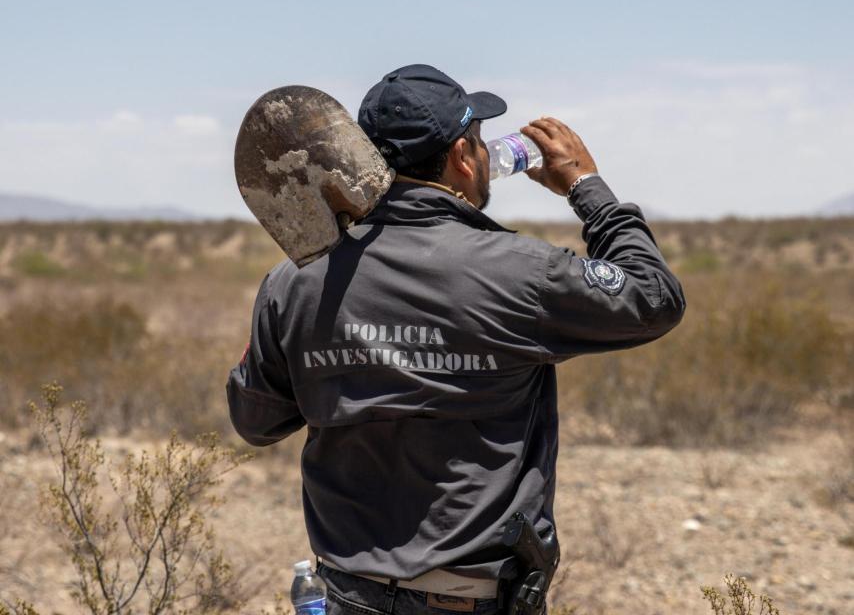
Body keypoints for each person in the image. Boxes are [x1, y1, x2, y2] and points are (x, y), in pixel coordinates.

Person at [227, 64, 686, 615]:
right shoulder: (518, 271)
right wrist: (586, 187)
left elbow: (256, 422)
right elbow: (654, 296)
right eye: (480, 141)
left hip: (347, 594)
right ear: (464, 156)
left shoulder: (294, 281)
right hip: (468, 600)